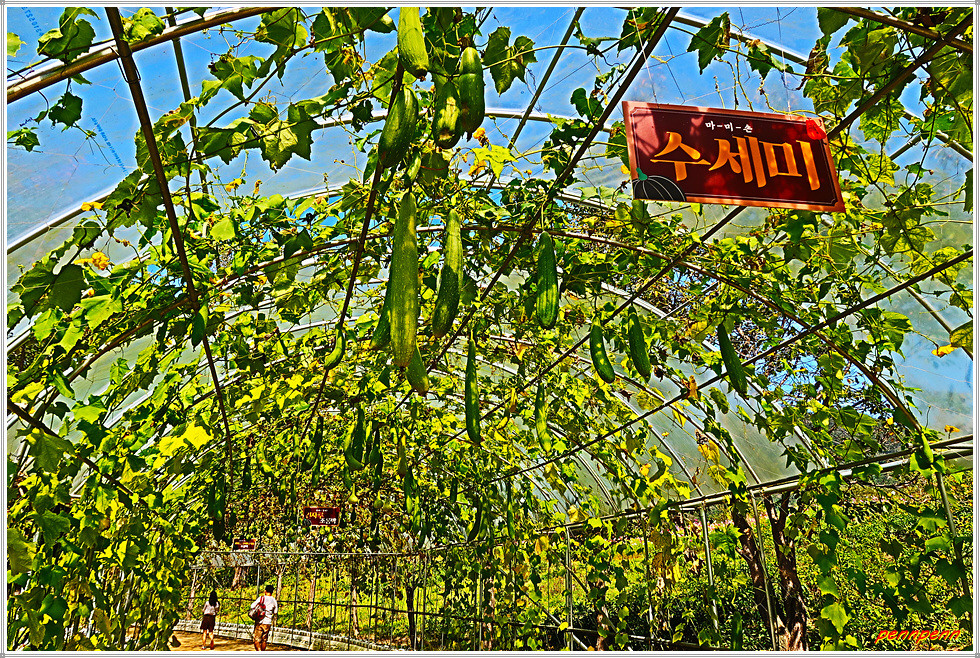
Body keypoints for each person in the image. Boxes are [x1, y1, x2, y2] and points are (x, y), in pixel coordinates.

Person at [249, 584, 278, 651]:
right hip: (268, 623)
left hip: (260, 622)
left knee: (256, 640)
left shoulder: (261, 598)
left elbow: (252, 606)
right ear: (272, 592)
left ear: (265, 591)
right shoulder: (274, 600)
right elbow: (275, 612)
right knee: (264, 640)